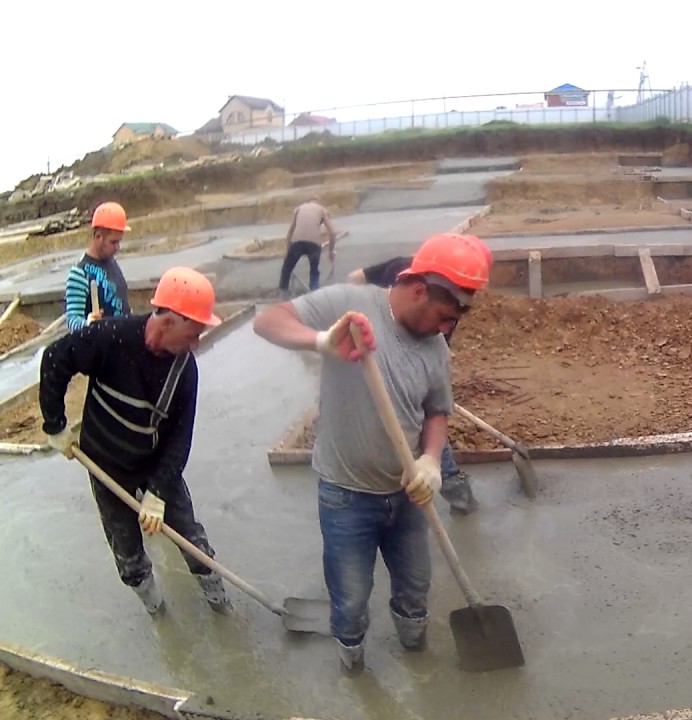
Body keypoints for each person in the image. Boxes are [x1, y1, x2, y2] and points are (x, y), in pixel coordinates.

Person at [253, 232, 492, 672]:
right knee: (350, 596)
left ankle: (414, 651)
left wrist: (432, 462)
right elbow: (266, 320)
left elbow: (437, 411)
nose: (446, 329)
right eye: (443, 316)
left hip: (407, 497)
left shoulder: (436, 347)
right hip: (345, 496)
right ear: (419, 290)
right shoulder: (351, 304)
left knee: (416, 587)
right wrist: (321, 341)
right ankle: (353, 663)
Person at [40, 267, 231, 615]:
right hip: (105, 465)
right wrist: (55, 424)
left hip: (155, 465)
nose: (195, 344)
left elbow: (179, 440)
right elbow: (55, 360)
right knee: (128, 556)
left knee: (192, 539)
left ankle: (220, 605)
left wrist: (158, 492)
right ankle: (157, 613)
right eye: (193, 333)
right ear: (170, 320)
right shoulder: (110, 338)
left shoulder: (184, 371)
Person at [348, 252, 483, 515]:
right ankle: (458, 493)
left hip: (416, 369)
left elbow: (438, 341)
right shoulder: (398, 272)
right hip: (380, 365)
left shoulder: (442, 301)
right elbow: (356, 278)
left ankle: (454, 489)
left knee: (429, 437)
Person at [65, 201, 132, 332]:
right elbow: (72, 321)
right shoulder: (79, 273)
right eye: (113, 242)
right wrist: (88, 323)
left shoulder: (111, 263)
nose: (117, 247)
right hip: (100, 348)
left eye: (119, 242)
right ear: (98, 236)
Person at [279, 197, 339, 296]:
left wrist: (288, 251)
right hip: (314, 244)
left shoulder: (299, 208)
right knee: (314, 270)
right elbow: (333, 232)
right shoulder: (321, 209)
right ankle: (314, 293)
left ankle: (283, 293)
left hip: (296, 242)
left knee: (287, 268)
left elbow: (290, 233)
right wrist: (331, 251)